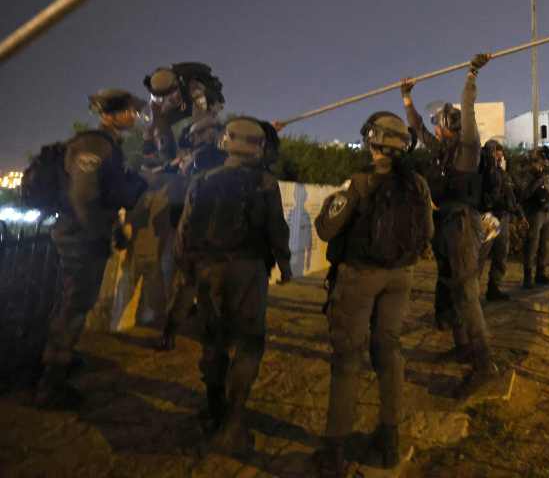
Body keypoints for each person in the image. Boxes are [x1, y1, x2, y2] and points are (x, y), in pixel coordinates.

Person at [313, 111, 433, 476]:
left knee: (347, 360)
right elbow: (426, 234)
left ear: (374, 142)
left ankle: (334, 452)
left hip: (359, 278)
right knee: (390, 351)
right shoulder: (418, 184)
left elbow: (325, 229)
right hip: (401, 278)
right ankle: (389, 441)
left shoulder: (359, 183)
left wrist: (337, 196)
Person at [174, 117, 292, 455]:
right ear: (258, 148)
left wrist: (187, 272)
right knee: (249, 344)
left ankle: (214, 411)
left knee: (213, 341)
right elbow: (276, 230)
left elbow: (184, 234)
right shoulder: (266, 183)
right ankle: (234, 422)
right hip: (249, 271)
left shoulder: (203, 179)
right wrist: (284, 265)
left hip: (208, 271)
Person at [34, 89, 148, 408]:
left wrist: (137, 185)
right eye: (129, 111)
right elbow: (84, 198)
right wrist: (101, 233)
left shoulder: (108, 145)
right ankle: (51, 383)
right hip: (79, 237)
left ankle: (60, 358)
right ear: (111, 114)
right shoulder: (94, 145)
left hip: (83, 234)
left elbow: (113, 191)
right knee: (73, 306)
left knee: (73, 303)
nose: (134, 116)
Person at [401, 54, 500, 395]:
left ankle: (484, 364)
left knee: (466, 292)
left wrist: (471, 75)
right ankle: (462, 347)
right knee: (451, 286)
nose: (435, 128)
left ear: (448, 124)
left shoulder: (467, 149)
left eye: (438, 123)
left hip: (461, 225)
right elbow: (417, 129)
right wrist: (407, 99)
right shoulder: (441, 150)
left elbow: (468, 110)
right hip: (444, 224)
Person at [156, 116, 227, 351]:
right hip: (210, 237)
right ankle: (207, 335)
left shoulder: (189, 163)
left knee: (187, 287)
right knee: (207, 291)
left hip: (188, 234)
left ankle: (169, 334)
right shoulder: (216, 159)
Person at [478, 139, 524, 301]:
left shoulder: (502, 173)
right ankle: (470, 293)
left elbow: (511, 193)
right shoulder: (483, 171)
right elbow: (489, 191)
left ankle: (494, 287)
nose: (499, 159)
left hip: (503, 217)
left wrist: (519, 214)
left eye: (501, 156)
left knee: (501, 253)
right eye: (497, 156)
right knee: (481, 255)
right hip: (489, 217)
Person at [520, 146, 549, 289]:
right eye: (545, 159)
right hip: (534, 213)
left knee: (544, 244)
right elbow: (524, 193)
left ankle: (541, 273)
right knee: (532, 244)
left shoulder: (545, 174)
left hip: (547, 212)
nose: (547, 162)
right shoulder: (529, 173)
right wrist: (539, 181)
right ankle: (528, 277)